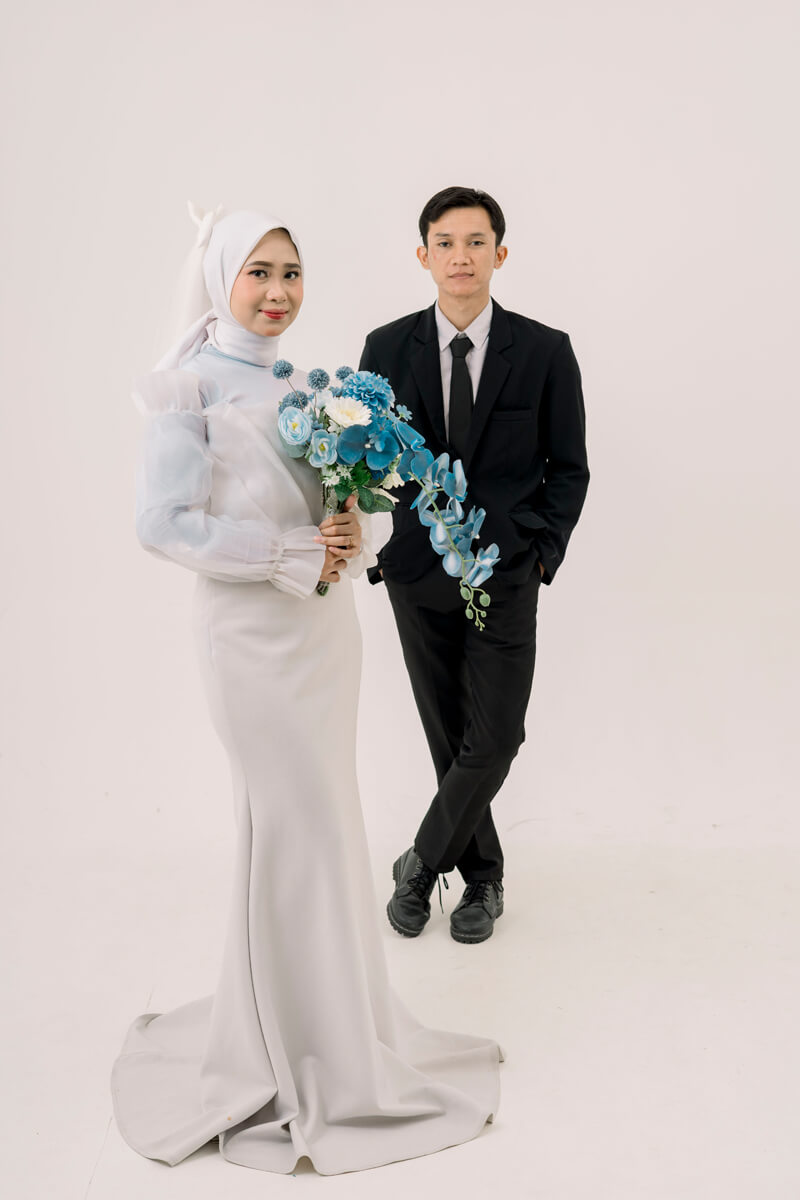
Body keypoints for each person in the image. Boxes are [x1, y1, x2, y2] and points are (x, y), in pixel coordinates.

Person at [111, 208, 501, 1176]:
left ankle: (339, 1031)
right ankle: (284, 1054)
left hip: (324, 638)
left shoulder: (306, 385)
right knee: (289, 827)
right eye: (258, 273)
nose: (278, 291)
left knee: (325, 824)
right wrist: (287, 554)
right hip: (248, 641)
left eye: (290, 272)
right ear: (220, 281)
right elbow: (162, 522)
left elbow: (344, 505)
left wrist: (350, 529)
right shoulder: (189, 386)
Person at [359, 186, 590, 945]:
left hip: (505, 570)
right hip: (416, 573)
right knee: (449, 732)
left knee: (496, 736)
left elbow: (569, 468)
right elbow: (367, 460)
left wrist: (540, 555)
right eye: (446, 243)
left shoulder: (545, 350)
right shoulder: (385, 349)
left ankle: (422, 862)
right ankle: (484, 877)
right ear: (423, 255)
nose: (461, 257)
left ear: (500, 253)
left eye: (476, 242)